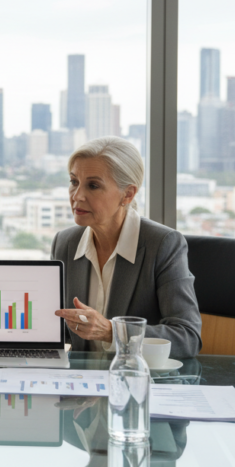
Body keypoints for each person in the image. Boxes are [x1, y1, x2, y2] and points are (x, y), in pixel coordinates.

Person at [51, 137, 201, 358]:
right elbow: (62, 331)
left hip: (137, 382)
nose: (77, 196)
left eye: (93, 185)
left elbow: (187, 337)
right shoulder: (65, 242)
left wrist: (112, 332)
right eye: (74, 181)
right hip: (80, 383)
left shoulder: (163, 245)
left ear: (128, 194)